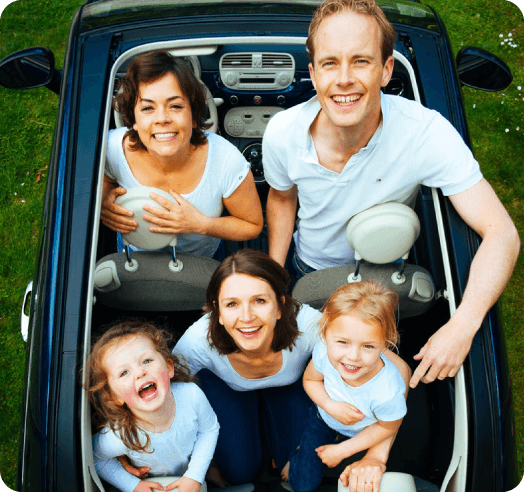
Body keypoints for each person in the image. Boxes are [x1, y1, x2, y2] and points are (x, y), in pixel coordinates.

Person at [263, 0, 519, 390]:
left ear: (385, 70)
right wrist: (274, 275)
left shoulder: (425, 133)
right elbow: (282, 198)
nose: (344, 79)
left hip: (384, 279)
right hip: (308, 269)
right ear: (313, 74)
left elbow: (502, 233)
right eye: (330, 63)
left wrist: (462, 326)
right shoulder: (282, 133)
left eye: (360, 61)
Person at [120, 249, 410, 489]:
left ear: (280, 306)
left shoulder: (309, 325)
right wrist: (123, 447)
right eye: (232, 304)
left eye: (259, 301)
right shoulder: (199, 339)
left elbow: (400, 371)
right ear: (217, 312)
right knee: (239, 473)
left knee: (292, 467)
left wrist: (377, 455)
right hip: (226, 387)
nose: (246, 317)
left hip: (292, 384)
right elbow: (164, 389)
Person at [101, 50, 263, 258]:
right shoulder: (111, 150)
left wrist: (200, 224)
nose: (162, 118)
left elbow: (252, 225)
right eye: (148, 108)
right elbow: (104, 180)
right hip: (133, 255)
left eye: (175, 106)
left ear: (194, 116)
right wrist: (104, 202)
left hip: (202, 259)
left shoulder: (225, 161)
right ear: (133, 119)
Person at [287, 281, 406, 492]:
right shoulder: (323, 351)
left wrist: (343, 450)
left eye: (368, 346)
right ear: (324, 334)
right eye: (342, 342)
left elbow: (388, 426)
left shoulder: (388, 390)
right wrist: (329, 406)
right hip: (323, 418)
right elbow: (311, 380)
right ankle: (298, 454)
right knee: (301, 485)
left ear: (385, 344)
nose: (353, 357)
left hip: (365, 433)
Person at [84, 320, 220, 492]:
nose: (140, 372)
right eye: (124, 372)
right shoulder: (121, 434)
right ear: (114, 396)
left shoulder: (191, 395)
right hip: (155, 484)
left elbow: (209, 429)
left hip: (193, 470)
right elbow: (94, 457)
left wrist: (195, 474)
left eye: (147, 361)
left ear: (169, 367)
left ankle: (211, 471)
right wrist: (132, 485)